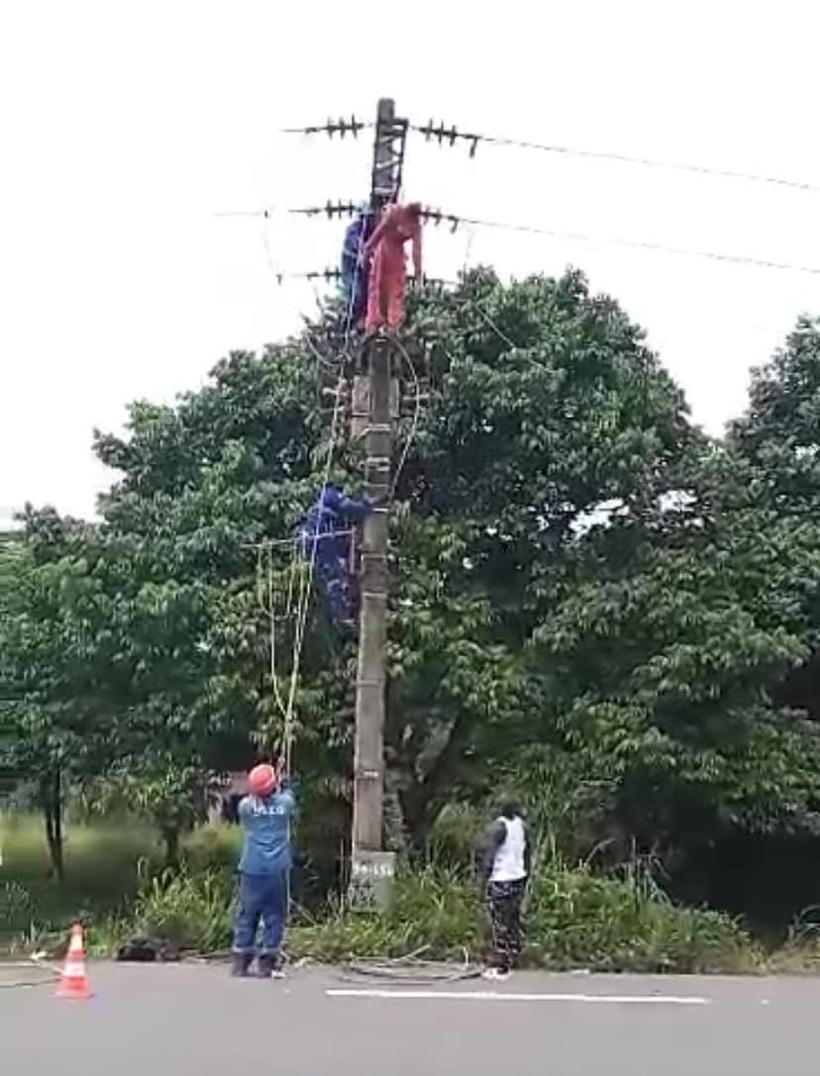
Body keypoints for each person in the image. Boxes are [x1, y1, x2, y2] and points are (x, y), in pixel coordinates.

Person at [231, 761, 296, 979]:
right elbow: (285, 795)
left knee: (247, 914)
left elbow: (256, 798)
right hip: (277, 869)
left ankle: (241, 961)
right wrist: (282, 781)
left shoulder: (245, 807)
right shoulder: (286, 804)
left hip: (251, 868)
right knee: (275, 916)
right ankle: (267, 962)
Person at [297, 483, 376, 630]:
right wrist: (367, 506)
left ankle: (340, 614)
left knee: (331, 579)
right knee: (334, 577)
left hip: (316, 544)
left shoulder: (322, 510)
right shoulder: (329, 495)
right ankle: (341, 616)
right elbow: (351, 508)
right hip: (322, 542)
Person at [479, 798, 529, 980]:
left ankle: (500, 964)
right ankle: (514, 956)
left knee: (499, 921)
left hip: (501, 879)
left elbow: (489, 857)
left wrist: (482, 883)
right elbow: (527, 852)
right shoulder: (521, 826)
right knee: (512, 919)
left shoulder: (498, 828)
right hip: (518, 877)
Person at [361, 201, 423, 332]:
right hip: (383, 252)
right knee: (376, 288)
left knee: (395, 290)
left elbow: (416, 252)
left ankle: (392, 326)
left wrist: (418, 278)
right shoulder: (395, 213)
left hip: (396, 258)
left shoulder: (416, 226)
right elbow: (378, 234)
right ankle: (373, 323)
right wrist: (366, 253)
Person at [339, 202, 373, 329]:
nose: (368, 220)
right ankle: (348, 321)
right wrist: (365, 250)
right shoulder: (354, 229)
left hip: (363, 268)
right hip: (351, 267)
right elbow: (356, 244)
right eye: (366, 217)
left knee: (368, 296)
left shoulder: (372, 230)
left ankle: (362, 322)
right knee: (356, 294)